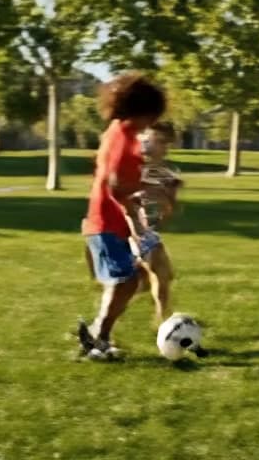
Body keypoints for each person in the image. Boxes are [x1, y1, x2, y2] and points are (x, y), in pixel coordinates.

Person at [76, 73, 167, 360]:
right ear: (144, 111)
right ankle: (97, 338)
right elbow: (116, 184)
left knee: (133, 279)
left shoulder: (116, 131)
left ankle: (98, 335)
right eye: (151, 116)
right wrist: (136, 211)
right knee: (125, 281)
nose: (152, 122)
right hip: (106, 224)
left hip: (109, 223)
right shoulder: (123, 137)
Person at [133, 122, 183, 326]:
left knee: (157, 277)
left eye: (167, 143)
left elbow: (170, 209)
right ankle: (164, 322)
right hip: (130, 229)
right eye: (159, 141)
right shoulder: (133, 165)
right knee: (161, 273)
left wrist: (169, 200)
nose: (164, 148)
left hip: (148, 230)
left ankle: (108, 313)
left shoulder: (166, 172)